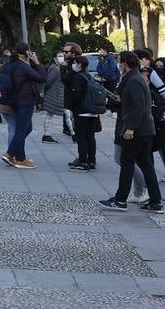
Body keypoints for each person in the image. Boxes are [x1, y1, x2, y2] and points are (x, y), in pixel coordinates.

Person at [101, 51, 164, 212]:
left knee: (127, 162)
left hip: (137, 130)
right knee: (145, 163)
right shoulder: (134, 77)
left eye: (120, 61)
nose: (118, 64)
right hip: (144, 129)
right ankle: (156, 201)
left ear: (125, 64)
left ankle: (121, 200)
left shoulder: (134, 80)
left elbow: (139, 107)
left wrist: (130, 128)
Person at [0, 43, 47, 170]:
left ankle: (11, 153)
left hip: (12, 100)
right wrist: (37, 62)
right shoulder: (23, 67)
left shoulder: (9, 65)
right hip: (24, 101)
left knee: (27, 127)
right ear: (26, 53)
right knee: (22, 129)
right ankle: (19, 158)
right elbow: (42, 77)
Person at [67, 53, 101, 171]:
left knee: (81, 137)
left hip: (81, 111)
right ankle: (92, 160)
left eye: (75, 63)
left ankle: (82, 160)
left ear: (80, 65)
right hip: (92, 111)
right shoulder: (89, 76)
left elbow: (77, 95)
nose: (73, 65)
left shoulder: (78, 77)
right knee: (90, 137)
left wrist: (71, 105)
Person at [41, 52, 67, 143]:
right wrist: (44, 91)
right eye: (60, 56)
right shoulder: (55, 69)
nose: (62, 58)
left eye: (63, 56)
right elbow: (48, 81)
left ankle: (46, 134)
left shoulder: (58, 68)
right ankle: (46, 135)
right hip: (53, 95)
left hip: (56, 94)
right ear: (55, 59)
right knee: (49, 115)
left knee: (65, 114)